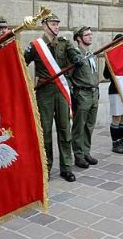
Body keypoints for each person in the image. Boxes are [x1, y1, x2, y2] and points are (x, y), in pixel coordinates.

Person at [24, 14, 82, 182]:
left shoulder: (65, 42)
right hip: (45, 92)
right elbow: (22, 63)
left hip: (61, 90)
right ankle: (46, 167)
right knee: (46, 131)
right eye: (53, 24)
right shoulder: (35, 46)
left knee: (65, 129)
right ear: (45, 26)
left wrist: (77, 59)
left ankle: (66, 167)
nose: (56, 26)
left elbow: (73, 54)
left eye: (57, 24)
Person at [70, 26, 99, 168]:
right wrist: (72, 94)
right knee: (79, 126)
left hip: (94, 93)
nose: (90, 37)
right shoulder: (75, 55)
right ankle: (78, 155)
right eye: (87, 35)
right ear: (78, 38)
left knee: (89, 125)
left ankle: (86, 151)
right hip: (82, 93)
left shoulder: (91, 54)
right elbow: (67, 76)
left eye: (91, 34)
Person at [103, 34, 123, 154]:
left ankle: (121, 140)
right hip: (115, 90)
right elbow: (105, 75)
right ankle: (115, 143)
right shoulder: (111, 56)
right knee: (117, 117)